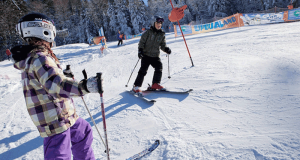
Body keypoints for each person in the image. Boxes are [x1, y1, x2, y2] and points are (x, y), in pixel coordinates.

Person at [11, 12, 101, 160]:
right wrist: (84, 86)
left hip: (64, 114)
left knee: (82, 131)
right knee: (59, 154)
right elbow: (56, 85)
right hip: (54, 119)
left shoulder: (37, 57)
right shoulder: (39, 58)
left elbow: (49, 79)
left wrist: (63, 74)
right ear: (44, 30)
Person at [132, 16, 172, 94]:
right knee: (143, 70)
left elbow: (163, 45)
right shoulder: (148, 32)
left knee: (159, 67)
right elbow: (141, 42)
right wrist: (140, 51)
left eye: (160, 23)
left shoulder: (162, 34)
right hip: (146, 55)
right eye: (157, 23)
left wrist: (166, 49)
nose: (159, 25)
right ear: (154, 23)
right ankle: (136, 86)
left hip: (155, 56)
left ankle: (155, 84)